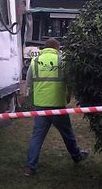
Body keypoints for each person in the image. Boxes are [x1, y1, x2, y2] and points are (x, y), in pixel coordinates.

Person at [24, 38, 89, 176]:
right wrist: (68, 94)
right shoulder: (62, 61)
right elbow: (69, 80)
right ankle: (77, 156)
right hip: (57, 105)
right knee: (67, 133)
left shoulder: (35, 61)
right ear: (57, 48)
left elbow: (28, 82)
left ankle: (30, 167)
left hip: (40, 106)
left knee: (37, 136)